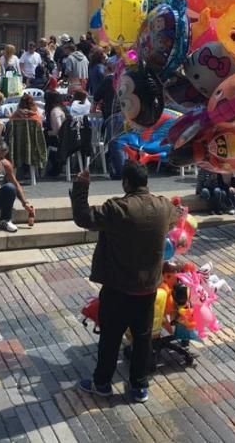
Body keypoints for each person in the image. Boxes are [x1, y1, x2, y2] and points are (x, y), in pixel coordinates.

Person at [71, 162, 180, 404]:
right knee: (143, 339)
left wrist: (81, 186)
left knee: (110, 337)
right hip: (148, 287)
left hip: (118, 286)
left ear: (126, 183)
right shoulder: (163, 206)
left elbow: (82, 217)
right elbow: (176, 214)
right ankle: (139, 387)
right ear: (146, 182)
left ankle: (102, 384)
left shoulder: (117, 208)